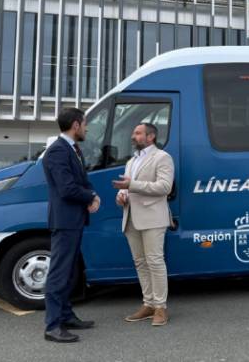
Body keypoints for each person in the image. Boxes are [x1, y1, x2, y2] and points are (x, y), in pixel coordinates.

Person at [41, 107, 100, 343]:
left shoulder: (72, 149)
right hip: (65, 221)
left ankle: (66, 316)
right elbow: (66, 188)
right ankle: (53, 326)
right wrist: (90, 197)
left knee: (68, 272)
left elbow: (81, 180)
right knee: (59, 273)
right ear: (75, 125)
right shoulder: (58, 150)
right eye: (85, 124)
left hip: (73, 220)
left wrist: (90, 195)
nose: (86, 128)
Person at [113, 123, 175, 326]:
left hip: (153, 217)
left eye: (138, 133)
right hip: (131, 216)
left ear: (151, 137)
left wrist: (131, 185)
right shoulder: (131, 161)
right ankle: (148, 304)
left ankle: (160, 307)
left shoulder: (162, 157)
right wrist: (121, 195)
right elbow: (126, 189)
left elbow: (164, 187)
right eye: (134, 132)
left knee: (155, 262)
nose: (133, 136)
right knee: (140, 262)